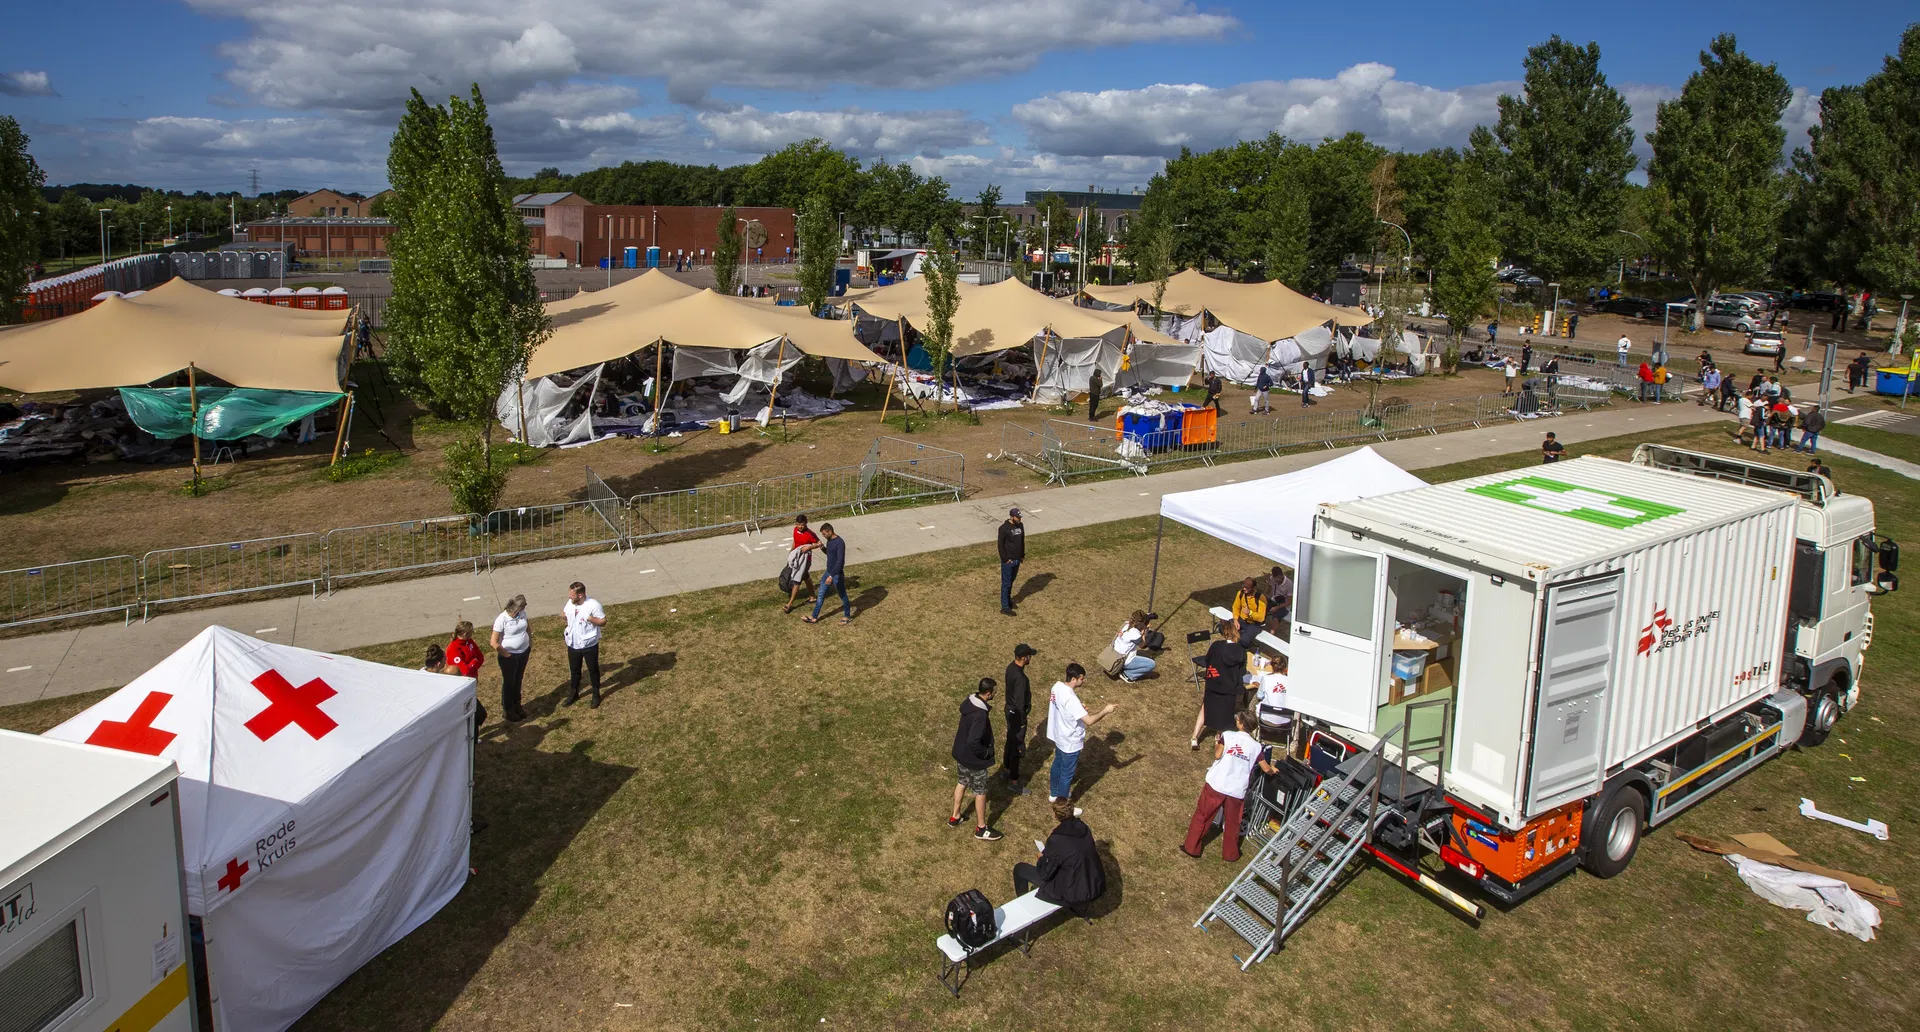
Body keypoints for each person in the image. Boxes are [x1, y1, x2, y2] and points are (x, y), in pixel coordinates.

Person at [1181, 710, 1275, 862]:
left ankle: (1191, 847)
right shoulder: (1256, 747)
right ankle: (1230, 854)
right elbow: (1265, 768)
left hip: (1218, 783)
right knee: (1233, 823)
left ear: (1241, 724)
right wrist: (1272, 770)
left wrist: (1218, 743)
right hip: (1236, 789)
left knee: (1203, 816)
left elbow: (1217, 755)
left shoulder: (1228, 736)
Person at [1013, 799, 1107, 911]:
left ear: (1056, 815)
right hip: (1095, 885)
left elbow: (1045, 874)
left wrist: (1041, 859)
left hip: (1074, 894)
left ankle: (1022, 904)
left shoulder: (1056, 840)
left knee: (1020, 869)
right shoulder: (1084, 828)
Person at [1047, 664, 1116, 802]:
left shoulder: (1057, 687)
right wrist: (1105, 711)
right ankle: (1063, 803)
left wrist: (1079, 708)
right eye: (1081, 679)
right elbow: (1089, 721)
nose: (1083, 681)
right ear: (1074, 679)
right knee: (1067, 774)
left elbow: (1065, 708)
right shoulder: (1071, 699)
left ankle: (1054, 794)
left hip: (1059, 735)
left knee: (1057, 764)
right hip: (1070, 741)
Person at [948, 678, 1003, 841]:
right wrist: (985, 753)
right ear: (988, 693)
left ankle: (955, 816)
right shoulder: (980, 715)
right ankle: (981, 828)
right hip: (973, 759)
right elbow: (974, 741)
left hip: (961, 754)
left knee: (962, 781)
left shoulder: (969, 703)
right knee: (980, 791)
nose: (996, 693)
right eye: (994, 691)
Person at [1191, 620, 1248, 749]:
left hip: (1213, 684)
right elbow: (1242, 671)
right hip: (1229, 689)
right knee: (1224, 715)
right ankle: (1218, 740)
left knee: (1205, 708)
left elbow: (1207, 659)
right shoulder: (1240, 651)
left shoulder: (1217, 646)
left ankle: (1194, 737)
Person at [562, 581, 606, 708]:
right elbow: (564, 614)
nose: (570, 597)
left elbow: (603, 622)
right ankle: (573, 693)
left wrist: (590, 618)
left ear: (580, 595)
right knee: (575, 670)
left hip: (589, 645)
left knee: (593, 670)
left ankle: (596, 693)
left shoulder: (593, 605)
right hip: (573, 644)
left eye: (572, 595)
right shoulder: (570, 603)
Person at [490, 595, 530, 722]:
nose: (525, 607)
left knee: (518, 679)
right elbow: (494, 642)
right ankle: (508, 710)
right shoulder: (502, 619)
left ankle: (517, 704)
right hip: (509, 657)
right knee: (509, 683)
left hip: (523, 652)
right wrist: (507, 655)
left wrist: (530, 643)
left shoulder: (522, 613)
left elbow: (527, 627)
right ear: (516, 606)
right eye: (523, 605)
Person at [1002, 644, 1037, 790]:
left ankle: (1006, 770)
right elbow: (1020, 702)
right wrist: (1022, 721)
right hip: (1017, 715)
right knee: (1017, 748)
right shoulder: (1021, 678)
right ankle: (1014, 781)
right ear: (1023, 658)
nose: (1030, 658)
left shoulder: (1010, 668)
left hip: (1009, 711)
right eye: (1029, 656)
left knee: (1010, 741)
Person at [804, 522, 853, 625]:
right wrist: (822, 548)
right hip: (829, 571)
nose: (824, 536)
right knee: (821, 594)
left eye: (825, 534)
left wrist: (831, 576)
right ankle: (814, 617)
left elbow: (840, 562)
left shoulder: (840, 543)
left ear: (830, 532)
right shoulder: (829, 541)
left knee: (842, 594)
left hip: (836, 574)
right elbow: (830, 554)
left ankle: (847, 616)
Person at [783, 514, 821, 614]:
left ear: (806, 523)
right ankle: (812, 597)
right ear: (796, 524)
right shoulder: (795, 530)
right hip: (796, 557)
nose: (800, 526)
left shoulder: (810, 533)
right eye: (799, 524)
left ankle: (789, 604)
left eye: (803, 524)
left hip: (805, 560)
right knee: (805, 576)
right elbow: (795, 542)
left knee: (797, 581)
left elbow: (819, 543)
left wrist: (809, 547)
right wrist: (791, 554)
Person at [1111, 610, 1156, 682]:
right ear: (1142, 623)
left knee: (1140, 654)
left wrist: (1147, 617)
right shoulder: (1135, 635)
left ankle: (1123, 668)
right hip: (1122, 660)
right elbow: (1143, 645)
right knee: (1151, 664)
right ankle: (1127, 674)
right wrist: (1144, 630)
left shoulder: (1125, 625)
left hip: (1112, 655)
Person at [998, 507, 1025, 615]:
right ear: (1012, 516)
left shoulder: (1020, 526)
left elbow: (1022, 540)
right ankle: (1004, 607)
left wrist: (1022, 554)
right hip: (1008, 561)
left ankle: (1008, 601)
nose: (1019, 519)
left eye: (1020, 517)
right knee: (1006, 583)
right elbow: (1000, 545)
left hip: (1017, 559)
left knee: (1011, 581)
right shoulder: (1004, 528)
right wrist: (1005, 559)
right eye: (1017, 517)